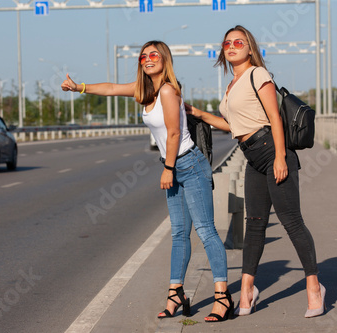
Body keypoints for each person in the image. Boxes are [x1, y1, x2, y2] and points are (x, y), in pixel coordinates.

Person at [61, 41, 233, 322]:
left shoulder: (167, 90)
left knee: (205, 230)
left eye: (154, 55)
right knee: (179, 233)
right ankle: (175, 293)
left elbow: (175, 133)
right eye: (143, 56)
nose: (148, 59)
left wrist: (168, 168)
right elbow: (112, 88)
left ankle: (222, 296)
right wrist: (79, 87)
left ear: (165, 59)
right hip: (174, 165)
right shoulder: (146, 90)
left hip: (188, 163)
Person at [186, 25, 326, 318]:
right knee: (255, 224)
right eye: (227, 43)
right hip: (251, 157)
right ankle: (248, 290)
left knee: (291, 221)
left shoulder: (257, 75)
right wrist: (199, 114)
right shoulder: (231, 84)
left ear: (250, 48)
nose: (232, 46)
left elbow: (274, 117)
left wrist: (279, 157)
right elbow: (234, 126)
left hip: (272, 151)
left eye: (239, 42)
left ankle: (314, 286)